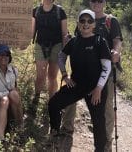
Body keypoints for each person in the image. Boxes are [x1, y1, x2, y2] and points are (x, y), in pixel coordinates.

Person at [61, 0, 123, 151]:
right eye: (93, 0)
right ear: (90, 3)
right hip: (81, 72)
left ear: (104, 3)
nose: (96, 3)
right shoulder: (83, 18)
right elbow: (76, 42)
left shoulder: (111, 21)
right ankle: (66, 131)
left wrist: (116, 52)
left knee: (106, 110)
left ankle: (105, 144)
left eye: (99, 0)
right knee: (70, 100)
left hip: (104, 73)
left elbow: (117, 41)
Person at [48, 9, 112, 152]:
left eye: (89, 21)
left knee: (98, 121)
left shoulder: (99, 41)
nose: (86, 24)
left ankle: (100, 149)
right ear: (78, 23)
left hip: (95, 88)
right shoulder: (74, 41)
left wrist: (98, 88)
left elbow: (107, 67)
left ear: (94, 24)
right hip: (76, 84)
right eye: (82, 21)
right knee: (53, 104)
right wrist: (65, 75)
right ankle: (54, 133)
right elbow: (61, 57)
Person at [31, 0, 68, 109]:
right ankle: (36, 97)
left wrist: (65, 49)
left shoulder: (60, 11)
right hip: (40, 45)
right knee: (40, 75)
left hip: (56, 46)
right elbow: (32, 30)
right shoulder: (36, 10)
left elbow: (64, 33)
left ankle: (52, 102)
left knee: (52, 76)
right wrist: (25, 42)